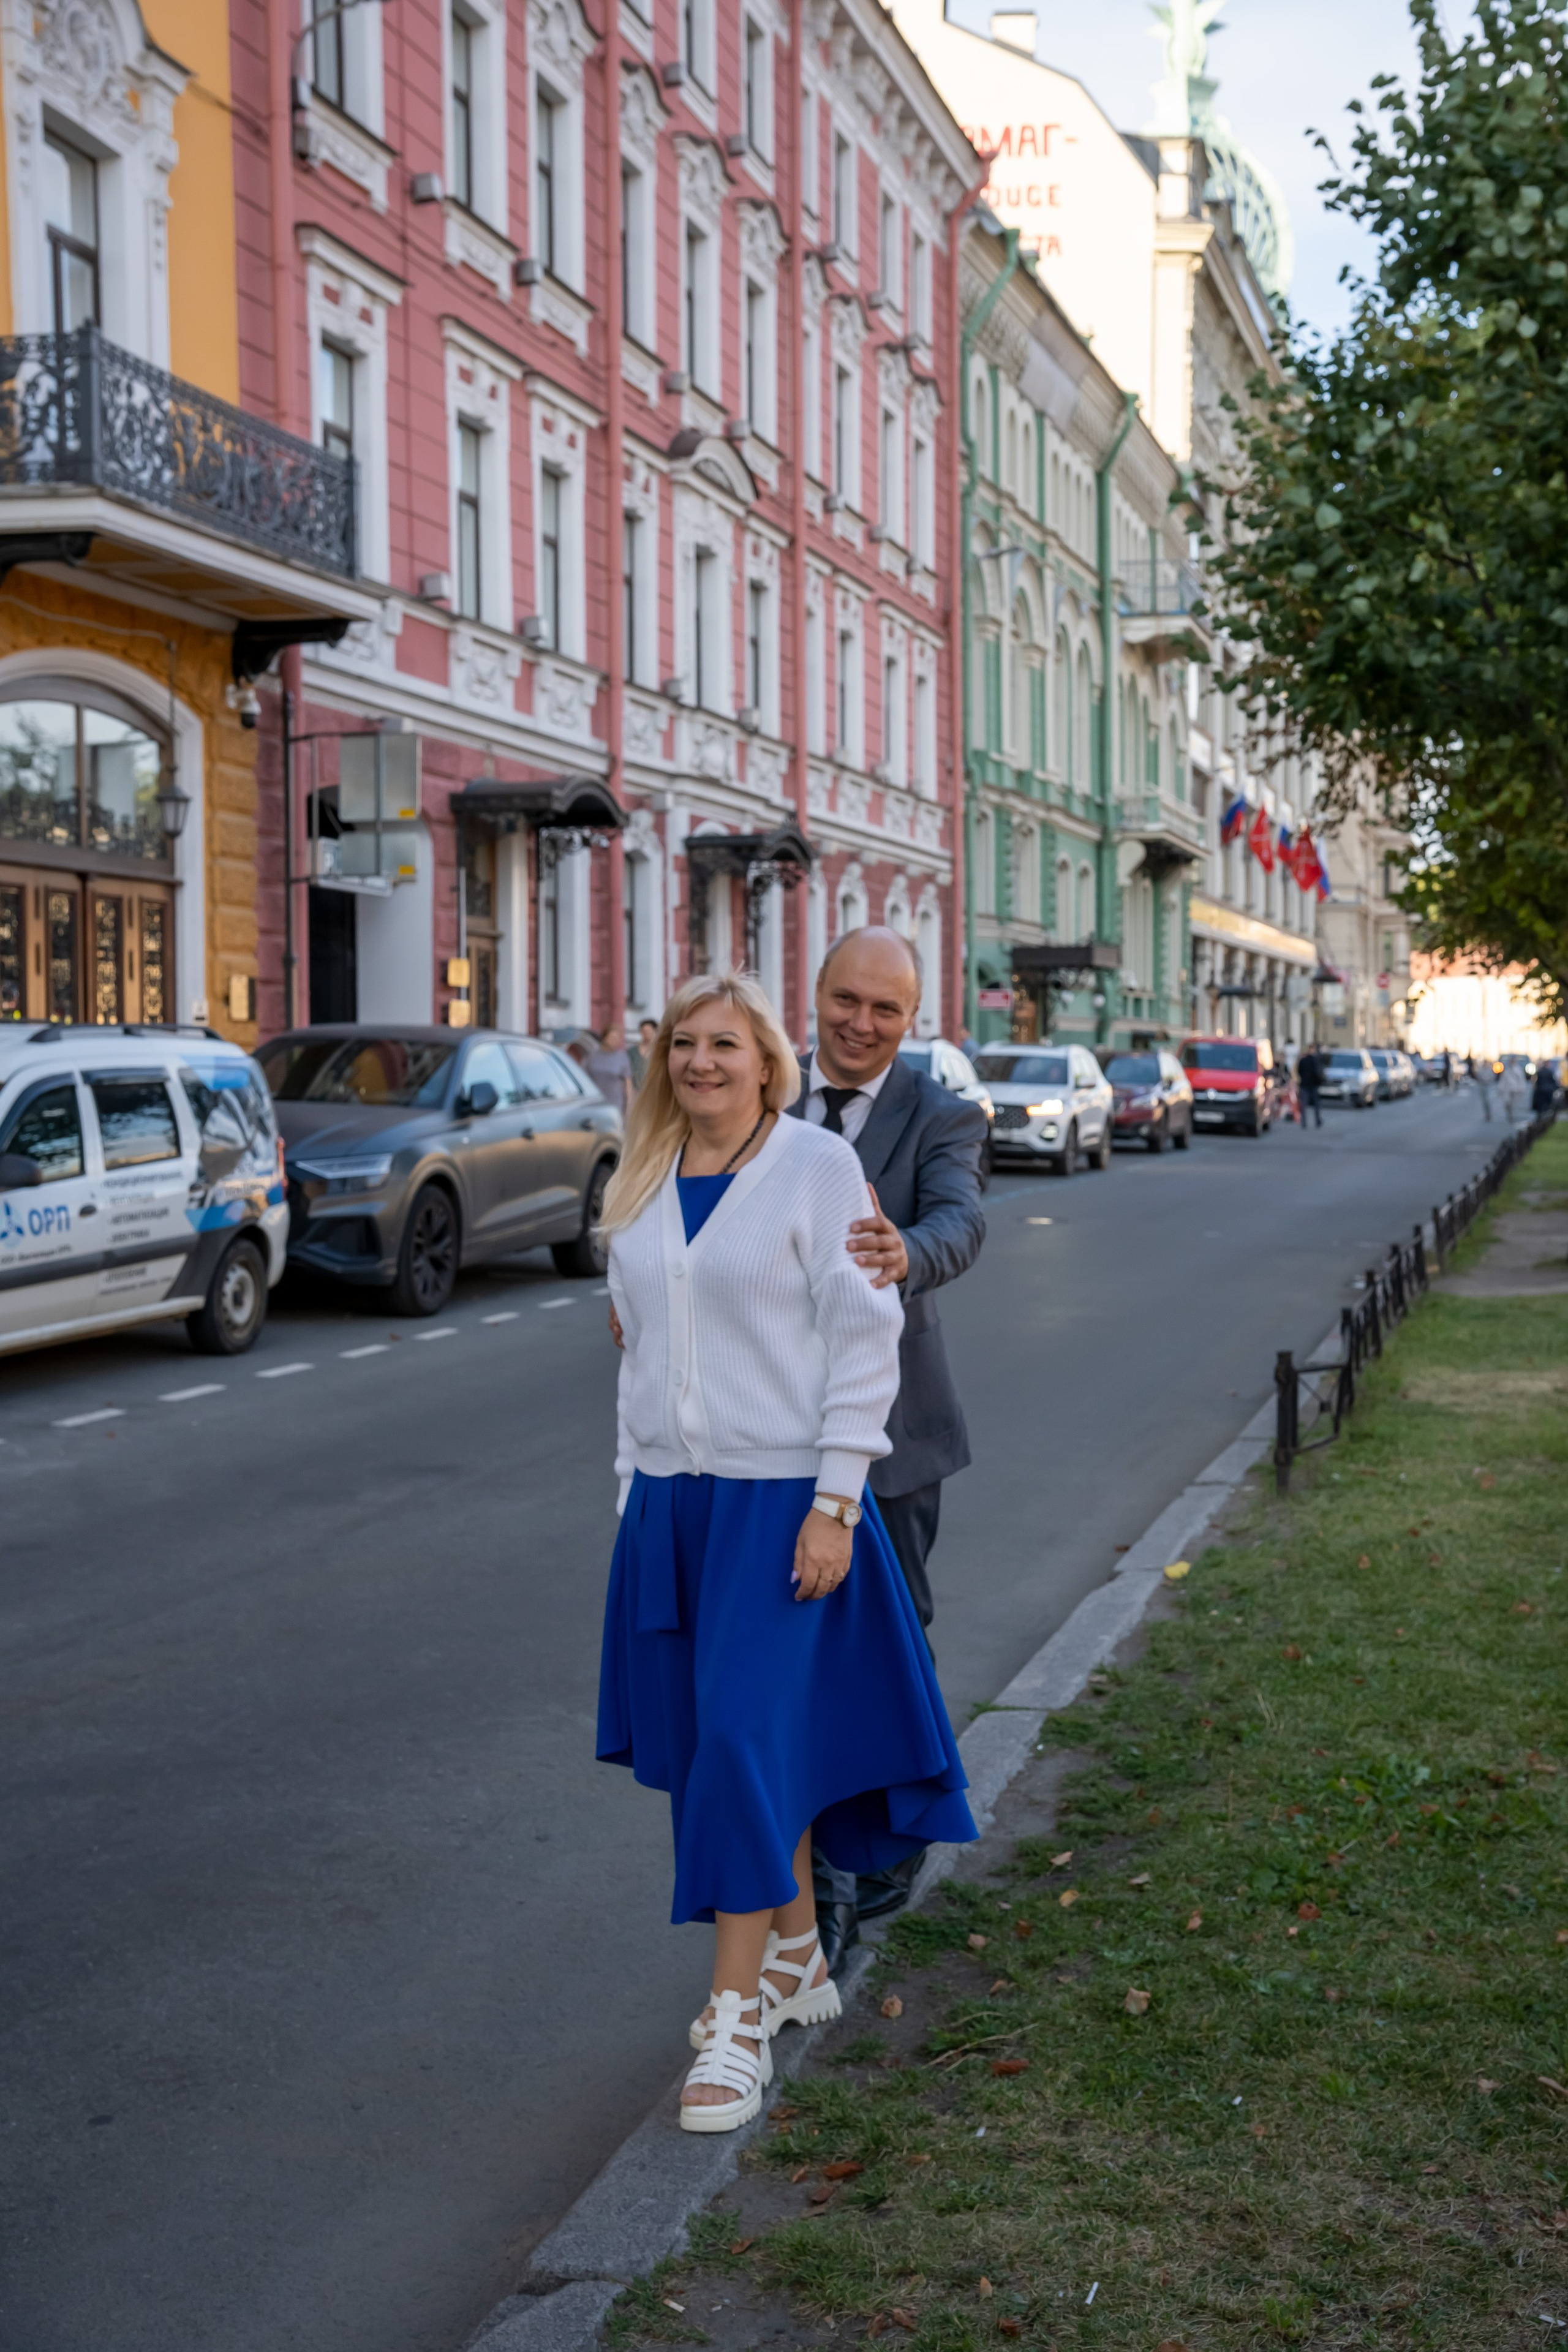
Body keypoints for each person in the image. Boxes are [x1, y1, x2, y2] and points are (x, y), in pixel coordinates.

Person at [596, 973, 976, 2133]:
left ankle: (734, 2023)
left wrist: (837, 1500)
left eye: (726, 1044)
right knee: (721, 1741)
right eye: (683, 1045)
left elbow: (868, 1341)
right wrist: (631, 1497)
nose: (701, 1062)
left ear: (770, 1060)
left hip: (780, 1504)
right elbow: (638, 1354)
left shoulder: (815, 1168)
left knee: (741, 1745)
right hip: (672, 1505)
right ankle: (801, 1950)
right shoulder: (641, 1180)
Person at [791, 927, 987, 1963]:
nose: (861, 1026)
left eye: (886, 1011)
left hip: (894, 1438)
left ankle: (895, 1836)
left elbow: (961, 1221)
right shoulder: (760, 1091)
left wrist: (905, 1250)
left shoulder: (940, 1112)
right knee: (797, 1641)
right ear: (815, 993)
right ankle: (815, 1859)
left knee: (894, 1633)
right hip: (771, 1429)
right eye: (846, 1001)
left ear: (912, 1021)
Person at [586, 1023, 633, 1118]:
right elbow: (585, 1077)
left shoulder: (622, 1057)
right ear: (604, 1037)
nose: (615, 1041)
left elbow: (628, 1084)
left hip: (615, 1104)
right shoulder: (593, 1055)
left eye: (617, 1038)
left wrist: (627, 1107)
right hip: (595, 1102)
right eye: (612, 1037)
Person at [627, 1016, 659, 1091]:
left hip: (656, 1091)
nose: (646, 1034)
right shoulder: (632, 1052)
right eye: (644, 1031)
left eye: (649, 1031)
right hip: (637, 1091)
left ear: (655, 1032)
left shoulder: (661, 1052)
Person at [1296, 1044, 1324, 1129]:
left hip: (1305, 1084)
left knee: (1304, 1105)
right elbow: (1318, 1072)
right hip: (1313, 1085)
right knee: (1315, 1105)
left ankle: (1305, 1122)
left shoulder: (1304, 1060)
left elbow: (1299, 1071)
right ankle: (1317, 1121)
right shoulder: (1316, 1060)